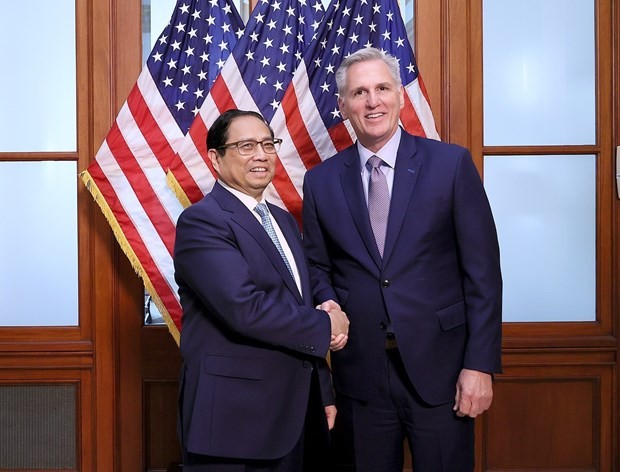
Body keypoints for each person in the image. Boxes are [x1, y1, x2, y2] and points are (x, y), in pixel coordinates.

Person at [302, 47, 503, 471]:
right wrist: (330, 302)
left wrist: (479, 365)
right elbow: (318, 266)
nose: (372, 101)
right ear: (343, 106)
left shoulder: (449, 165)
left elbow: (483, 275)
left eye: (381, 88)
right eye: (359, 92)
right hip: (362, 378)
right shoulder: (320, 182)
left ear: (399, 96)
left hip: (442, 373)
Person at [174, 109, 349, 472]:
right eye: (246, 145)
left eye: (268, 144)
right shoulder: (202, 222)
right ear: (215, 159)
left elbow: (297, 298)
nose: (261, 154)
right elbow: (244, 308)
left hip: (295, 412)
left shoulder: (282, 220)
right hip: (236, 422)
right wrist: (326, 326)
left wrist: (323, 391)